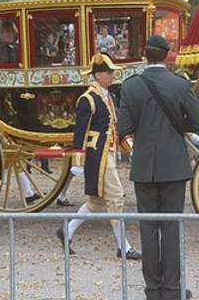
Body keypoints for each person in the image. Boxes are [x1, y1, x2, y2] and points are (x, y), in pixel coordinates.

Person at [118, 35, 199, 300]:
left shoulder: (131, 86)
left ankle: (152, 290)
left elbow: (124, 128)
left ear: (145, 55)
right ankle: (172, 289)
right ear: (168, 55)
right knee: (171, 227)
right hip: (174, 164)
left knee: (148, 228)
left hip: (144, 164)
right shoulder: (179, 84)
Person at [56, 53, 141, 260]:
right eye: (109, 72)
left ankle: (66, 232)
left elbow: (115, 128)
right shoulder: (88, 99)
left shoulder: (107, 97)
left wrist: (131, 149)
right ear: (99, 74)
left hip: (108, 153)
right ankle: (124, 246)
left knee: (96, 202)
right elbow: (80, 131)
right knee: (116, 198)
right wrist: (78, 160)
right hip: (97, 156)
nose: (112, 75)